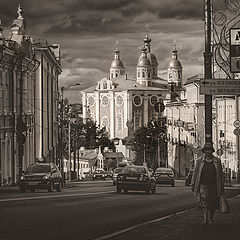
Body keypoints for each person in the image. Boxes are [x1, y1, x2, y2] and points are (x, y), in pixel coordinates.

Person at [191, 142, 225, 224]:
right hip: (203, 184)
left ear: (212, 151)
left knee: (213, 202)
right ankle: (205, 219)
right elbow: (195, 173)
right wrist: (193, 183)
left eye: (209, 150)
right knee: (204, 202)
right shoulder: (199, 161)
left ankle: (211, 218)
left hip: (214, 185)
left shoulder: (217, 161)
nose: (208, 152)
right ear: (204, 151)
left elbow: (220, 174)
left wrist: (222, 186)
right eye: (206, 150)